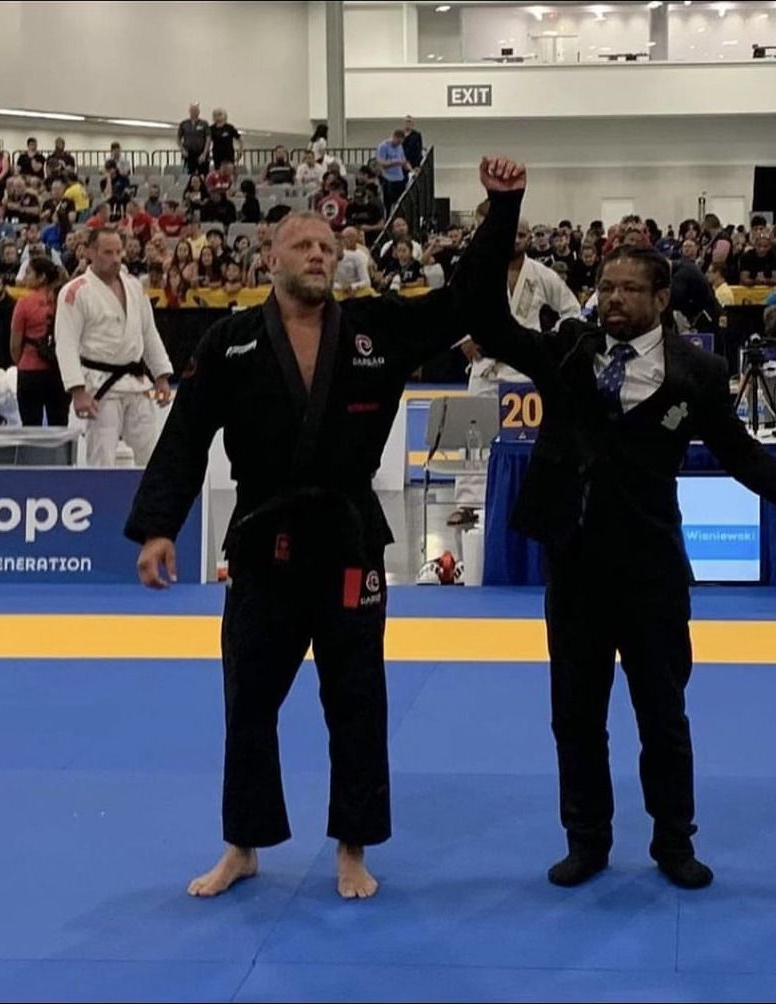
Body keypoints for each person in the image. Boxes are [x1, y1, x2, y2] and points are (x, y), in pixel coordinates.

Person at [464, 157, 776, 890]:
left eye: (626, 290)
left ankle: (673, 842)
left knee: (662, 717)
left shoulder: (697, 374)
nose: (610, 300)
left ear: (658, 298)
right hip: (574, 568)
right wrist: (504, 211)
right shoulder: (567, 351)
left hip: (651, 571)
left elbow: (743, 457)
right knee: (574, 720)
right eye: (603, 287)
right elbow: (487, 317)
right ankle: (586, 839)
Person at [123, 170, 513, 900]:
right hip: (263, 543)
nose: (316, 253)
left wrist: (505, 210)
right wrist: (156, 528)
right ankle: (242, 845)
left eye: (327, 245)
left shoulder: (375, 330)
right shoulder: (231, 339)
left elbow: (464, 299)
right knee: (248, 701)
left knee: (357, 700)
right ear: (269, 258)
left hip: (345, 540)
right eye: (301, 242)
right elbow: (184, 436)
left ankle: (352, 848)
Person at [449, 211, 583, 528]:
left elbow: (572, 310)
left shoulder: (541, 274)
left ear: (530, 240)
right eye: (512, 233)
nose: (516, 240)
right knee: (474, 437)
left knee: (525, 440)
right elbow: (451, 306)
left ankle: (524, 497)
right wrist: (464, 339)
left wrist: (549, 342)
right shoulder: (479, 269)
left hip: (524, 372)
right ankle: (469, 502)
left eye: (522, 235)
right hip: (485, 365)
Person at [54, 228, 174, 467]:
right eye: (107, 252)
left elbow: (148, 332)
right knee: (102, 459)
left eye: (118, 252)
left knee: (152, 456)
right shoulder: (75, 292)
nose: (116, 258)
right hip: (100, 387)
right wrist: (78, 391)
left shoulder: (133, 286)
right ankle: (102, 503)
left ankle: (152, 504)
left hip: (137, 384)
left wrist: (161, 375)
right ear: (89, 253)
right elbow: (65, 344)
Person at [11, 256, 69, 426]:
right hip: (58, 370)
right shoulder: (63, 300)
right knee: (59, 426)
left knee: (30, 427)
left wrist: (20, 361)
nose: (25, 277)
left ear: (41, 277)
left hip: (30, 371)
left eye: (29, 273)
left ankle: (32, 454)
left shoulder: (24, 304)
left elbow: (14, 345)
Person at [376, 129, 409, 211]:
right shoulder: (383, 146)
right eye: (397, 142)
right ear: (394, 137)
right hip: (388, 178)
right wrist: (395, 162)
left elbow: (403, 160)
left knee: (400, 202)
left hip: (399, 178)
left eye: (400, 143)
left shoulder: (400, 147)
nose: (398, 144)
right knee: (388, 204)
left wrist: (411, 169)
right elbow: (381, 162)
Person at [178, 103, 211, 176]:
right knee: (189, 174)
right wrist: (182, 149)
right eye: (192, 110)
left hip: (201, 152)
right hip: (188, 153)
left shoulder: (204, 123)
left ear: (199, 112)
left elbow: (208, 139)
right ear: (189, 111)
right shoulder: (184, 123)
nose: (194, 112)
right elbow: (178, 138)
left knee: (203, 174)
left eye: (196, 110)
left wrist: (204, 153)